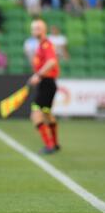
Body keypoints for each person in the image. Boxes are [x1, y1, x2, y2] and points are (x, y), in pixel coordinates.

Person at [27, 19, 60, 154]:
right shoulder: (40, 46)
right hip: (46, 83)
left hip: (47, 82)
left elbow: (52, 61)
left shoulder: (46, 44)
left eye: (37, 28)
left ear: (43, 30)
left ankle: (49, 145)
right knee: (46, 114)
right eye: (33, 28)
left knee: (35, 114)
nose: (35, 30)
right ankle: (55, 144)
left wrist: (38, 75)